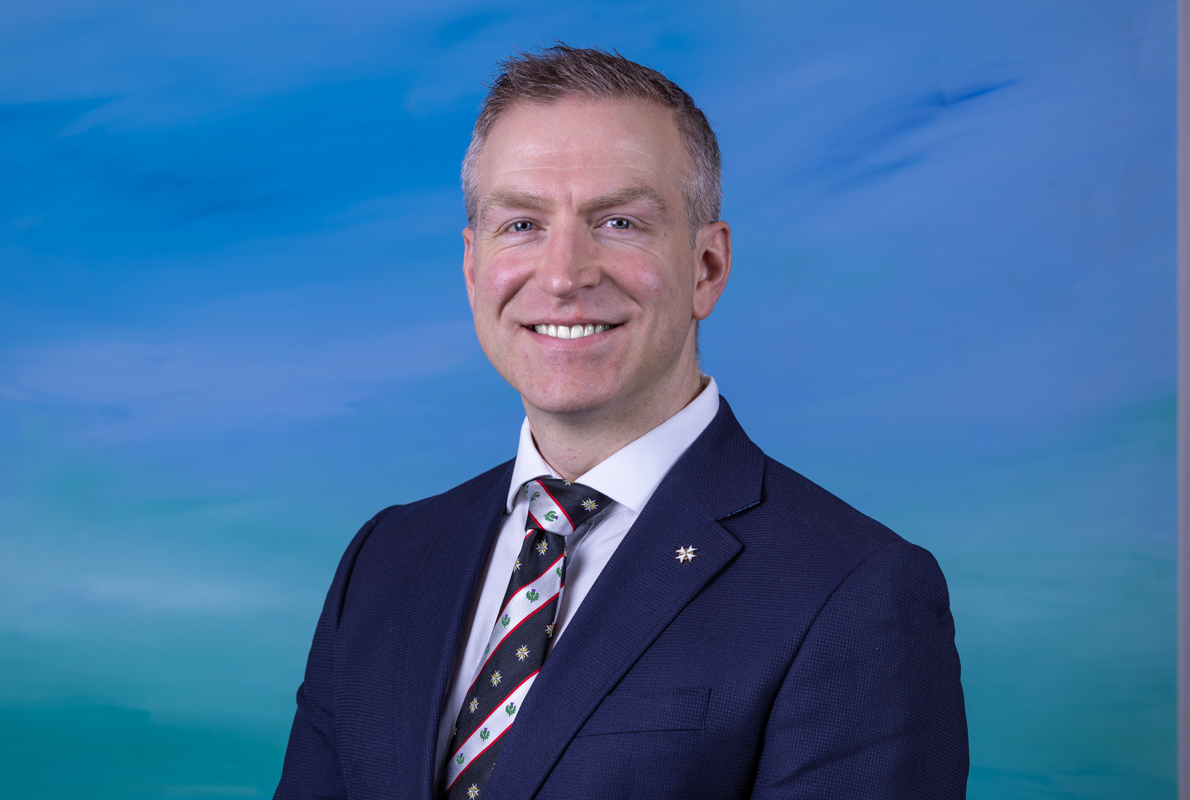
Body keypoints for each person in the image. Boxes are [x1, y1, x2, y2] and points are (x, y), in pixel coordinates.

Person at [273, 45, 968, 800]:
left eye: (619, 221)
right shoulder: (386, 562)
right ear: (473, 268)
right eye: (522, 225)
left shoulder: (854, 592)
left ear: (707, 267)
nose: (565, 274)